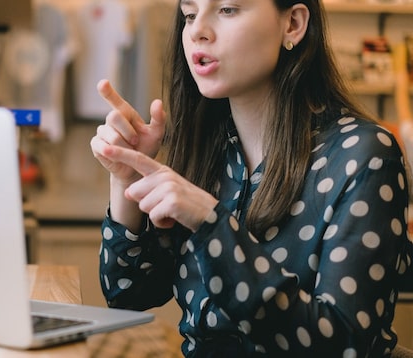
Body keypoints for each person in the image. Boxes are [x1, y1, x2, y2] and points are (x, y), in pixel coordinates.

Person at [89, 0, 412, 356]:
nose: (197, 30)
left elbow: (343, 345)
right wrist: (125, 178)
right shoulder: (207, 150)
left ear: (293, 24)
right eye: (190, 14)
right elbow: (127, 295)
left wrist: (212, 224)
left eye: (227, 9)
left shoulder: (364, 155)